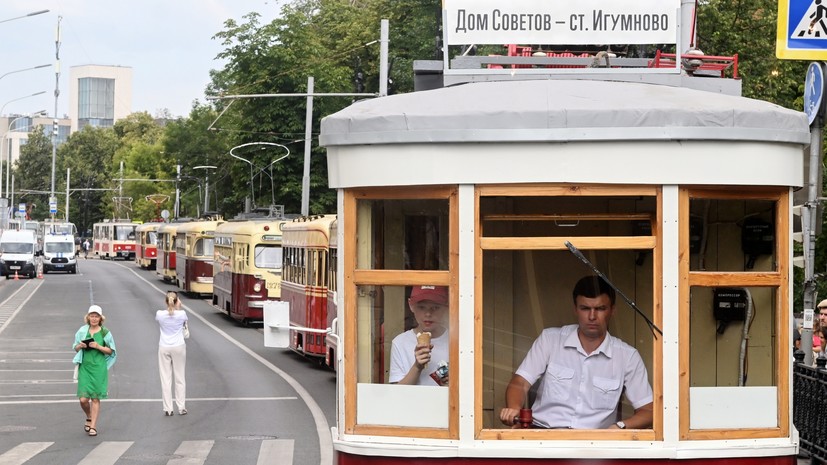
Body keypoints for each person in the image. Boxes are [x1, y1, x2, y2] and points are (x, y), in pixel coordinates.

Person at [499, 276, 653, 430]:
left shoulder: (627, 356)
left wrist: (619, 427)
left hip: (594, 442)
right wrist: (514, 408)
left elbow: (648, 411)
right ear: (575, 309)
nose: (592, 316)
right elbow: (520, 382)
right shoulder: (550, 339)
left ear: (612, 310)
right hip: (544, 436)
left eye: (600, 309)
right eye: (585, 308)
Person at [389, 285, 449, 386]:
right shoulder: (400, 343)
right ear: (411, 305)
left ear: (446, 306)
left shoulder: (456, 341)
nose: (428, 314)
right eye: (421, 307)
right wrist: (417, 367)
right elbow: (397, 392)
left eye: (435, 307)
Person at [72, 305, 117, 437]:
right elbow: (75, 347)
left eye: (96, 316)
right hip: (85, 367)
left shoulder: (105, 332)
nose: (94, 318)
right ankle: (89, 416)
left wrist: (98, 346)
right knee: (83, 399)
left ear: (100, 318)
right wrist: (80, 346)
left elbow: (111, 351)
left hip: (99, 368)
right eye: (92, 316)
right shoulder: (82, 331)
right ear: (88, 317)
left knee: (95, 398)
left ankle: (93, 426)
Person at [156, 290, 188, 416]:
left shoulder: (160, 314)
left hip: (164, 346)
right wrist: (178, 307)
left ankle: (168, 408)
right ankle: (181, 406)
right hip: (179, 346)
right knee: (180, 378)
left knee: (165, 378)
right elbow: (184, 324)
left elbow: (165, 314)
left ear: (166, 301)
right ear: (177, 301)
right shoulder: (182, 314)